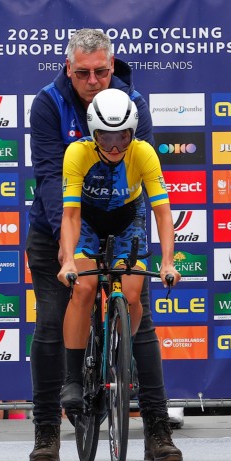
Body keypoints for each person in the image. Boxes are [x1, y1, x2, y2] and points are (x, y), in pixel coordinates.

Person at [27, 28, 182, 461]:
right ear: (68, 69)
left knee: (140, 317)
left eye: (101, 71)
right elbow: (50, 180)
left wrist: (168, 259)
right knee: (52, 321)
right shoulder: (48, 103)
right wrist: (67, 248)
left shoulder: (135, 103)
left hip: (122, 218)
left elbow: (153, 194)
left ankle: (156, 430)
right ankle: (46, 432)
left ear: (111, 67)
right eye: (83, 73)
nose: (93, 80)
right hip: (59, 222)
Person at [57, 88, 180, 417]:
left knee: (131, 293)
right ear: (92, 133)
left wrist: (168, 261)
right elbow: (69, 215)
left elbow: (163, 212)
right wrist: (68, 258)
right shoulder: (77, 153)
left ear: (133, 133)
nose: (114, 147)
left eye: (122, 138)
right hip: (86, 220)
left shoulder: (144, 153)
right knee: (82, 288)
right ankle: (72, 378)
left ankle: (123, 354)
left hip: (127, 220)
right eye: (105, 138)